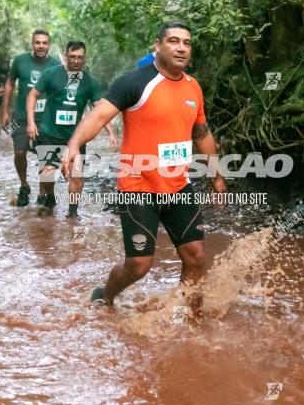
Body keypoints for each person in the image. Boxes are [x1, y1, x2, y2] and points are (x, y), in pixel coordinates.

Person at [61, 20, 226, 314]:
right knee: (138, 266)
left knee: (196, 256)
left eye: (186, 43)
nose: (181, 48)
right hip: (138, 189)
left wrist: (217, 176)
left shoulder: (193, 87)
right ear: (157, 45)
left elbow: (201, 133)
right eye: (173, 41)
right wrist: (74, 144)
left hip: (179, 187)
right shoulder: (134, 82)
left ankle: (194, 321)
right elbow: (98, 118)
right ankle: (104, 295)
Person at [27, 41, 117, 218]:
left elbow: (99, 110)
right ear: (67, 56)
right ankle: (51, 199)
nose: (76, 61)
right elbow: (33, 95)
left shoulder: (90, 82)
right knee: (48, 174)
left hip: (76, 138)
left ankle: (72, 213)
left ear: (85, 58)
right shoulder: (51, 74)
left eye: (80, 58)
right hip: (49, 133)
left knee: (76, 177)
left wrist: (111, 132)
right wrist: (31, 122)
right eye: (73, 57)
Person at [0, 30, 61, 206]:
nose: (41, 46)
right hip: (21, 116)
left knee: (46, 158)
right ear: (32, 44)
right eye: (37, 42)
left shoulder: (56, 65)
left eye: (44, 43)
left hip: (46, 119)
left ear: (49, 45)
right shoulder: (20, 61)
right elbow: (10, 83)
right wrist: (4, 111)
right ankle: (24, 185)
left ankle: (43, 193)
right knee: (19, 152)